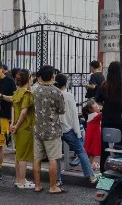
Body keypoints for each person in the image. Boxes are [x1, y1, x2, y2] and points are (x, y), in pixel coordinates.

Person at [56, 74, 97, 185]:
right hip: (68, 128)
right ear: (66, 84)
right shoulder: (68, 96)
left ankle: (57, 179)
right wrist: (77, 132)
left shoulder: (53, 94)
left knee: (56, 155)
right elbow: (74, 115)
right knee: (80, 151)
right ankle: (90, 175)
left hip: (56, 128)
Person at [32, 65, 66, 194]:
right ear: (52, 76)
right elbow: (61, 110)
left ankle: (37, 185)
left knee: (37, 158)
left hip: (38, 128)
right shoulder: (57, 92)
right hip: (52, 130)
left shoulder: (35, 90)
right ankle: (53, 186)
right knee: (53, 158)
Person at [0, 59, 17, 181]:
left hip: (3, 116)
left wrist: (2, 97)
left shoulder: (9, 81)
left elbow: (14, 98)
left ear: (2, 69)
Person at [95, 61, 122, 170]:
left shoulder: (105, 85)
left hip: (107, 118)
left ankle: (104, 169)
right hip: (121, 119)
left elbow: (98, 100)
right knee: (120, 145)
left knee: (106, 146)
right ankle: (119, 169)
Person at [10, 69, 35, 189]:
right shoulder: (27, 94)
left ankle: (18, 179)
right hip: (24, 127)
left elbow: (13, 108)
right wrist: (18, 125)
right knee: (24, 156)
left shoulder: (16, 92)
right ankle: (22, 182)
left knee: (18, 155)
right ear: (29, 79)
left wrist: (13, 124)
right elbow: (24, 112)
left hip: (15, 126)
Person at [83, 100, 102, 170]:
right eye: (96, 106)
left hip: (90, 135)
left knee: (90, 152)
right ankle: (89, 166)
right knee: (92, 152)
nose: (98, 106)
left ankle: (89, 164)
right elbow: (103, 115)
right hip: (94, 136)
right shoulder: (96, 115)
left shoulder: (90, 115)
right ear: (90, 109)